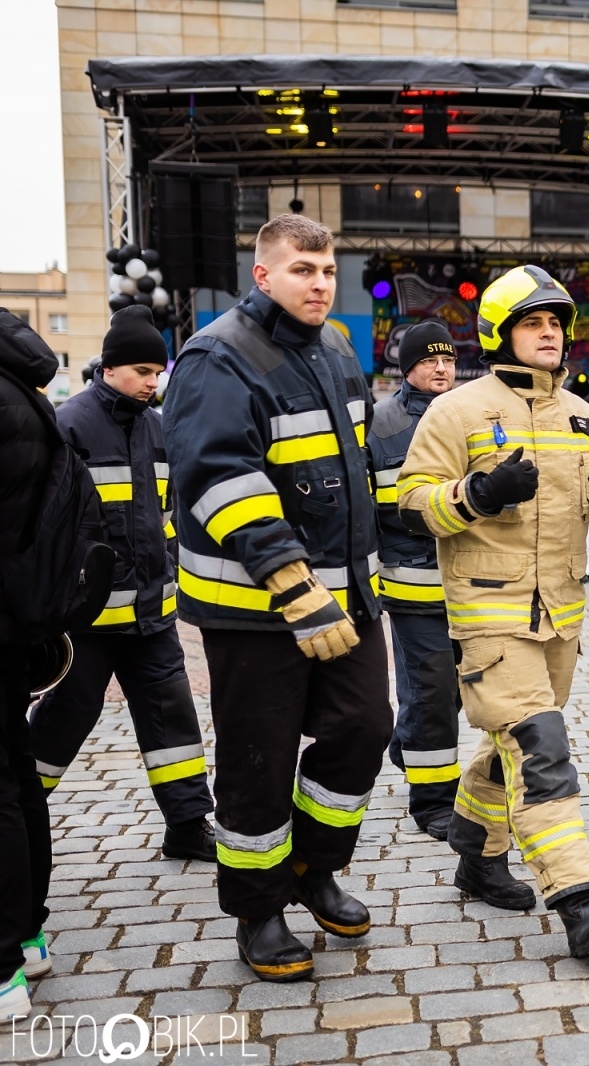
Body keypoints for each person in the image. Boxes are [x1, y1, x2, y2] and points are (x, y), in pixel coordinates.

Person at [398, 264, 589, 958]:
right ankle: (578, 900)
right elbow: (413, 502)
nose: (549, 335)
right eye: (533, 323)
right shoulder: (457, 411)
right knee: (542, 750)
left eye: (556, 324)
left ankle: (476, 854)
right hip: (488, 615)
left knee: (510, 743)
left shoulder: (585, 415)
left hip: (562, 618)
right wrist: (478, 493)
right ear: (500, 333)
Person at [164, 214, 390, 983]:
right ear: (263, 275)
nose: (320, 283)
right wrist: (292, 584)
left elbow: (354, 470)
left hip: (349, 596)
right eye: (302, 270)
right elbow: (220, 477)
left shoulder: (333, 348)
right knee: (257, 761)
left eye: (327, 270)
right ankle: (259, 910)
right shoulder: (216, 356)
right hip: (256, 610)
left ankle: (315, 868)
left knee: (364, 729)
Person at [29, 306, 217, 863]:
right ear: (109, 368)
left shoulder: (159, 429)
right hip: (85, 623)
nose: (152, 383)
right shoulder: (69, 424)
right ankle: (18, 818)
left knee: (174, 723)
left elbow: (168, 516)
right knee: (63, 723)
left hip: (151, 618)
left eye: (158, 373)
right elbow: (47, 523)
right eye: (142, 371)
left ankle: (187, 825)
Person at [0, 311, 70, 1019]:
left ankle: (2, 973)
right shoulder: (29, 397)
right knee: (18, 777)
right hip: (19, 620)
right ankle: (26, 939)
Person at [369, 321, 460, 840]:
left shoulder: (472, 417)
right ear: (407, 368)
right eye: (429, 360)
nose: (441, 368)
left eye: (447, 359)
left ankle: (408, 744)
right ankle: (433, 803)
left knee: (457, 692)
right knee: (430, 691)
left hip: (473, 586)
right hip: (412, 588)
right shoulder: (379, 426)